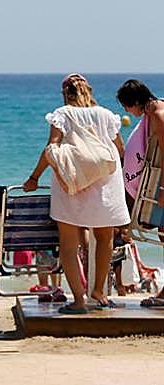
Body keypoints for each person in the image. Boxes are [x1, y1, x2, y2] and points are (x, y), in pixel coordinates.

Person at [24, 73, 130, 314]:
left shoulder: (62, 114)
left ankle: (79, 301)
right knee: (105, 240)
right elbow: (120, 149)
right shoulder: (105, 115)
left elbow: (52, 148)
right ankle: (99, 291)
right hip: (105, 183)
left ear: (65, 93)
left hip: (73, 184)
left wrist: (34, 177)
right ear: (89, 91)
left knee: (69, 246)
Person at [116, 79, 164, 306]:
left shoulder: (156, 112)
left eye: (126, 106)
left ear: (135, 102)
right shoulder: (150, 112)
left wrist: (163, 188)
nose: (126, 111)